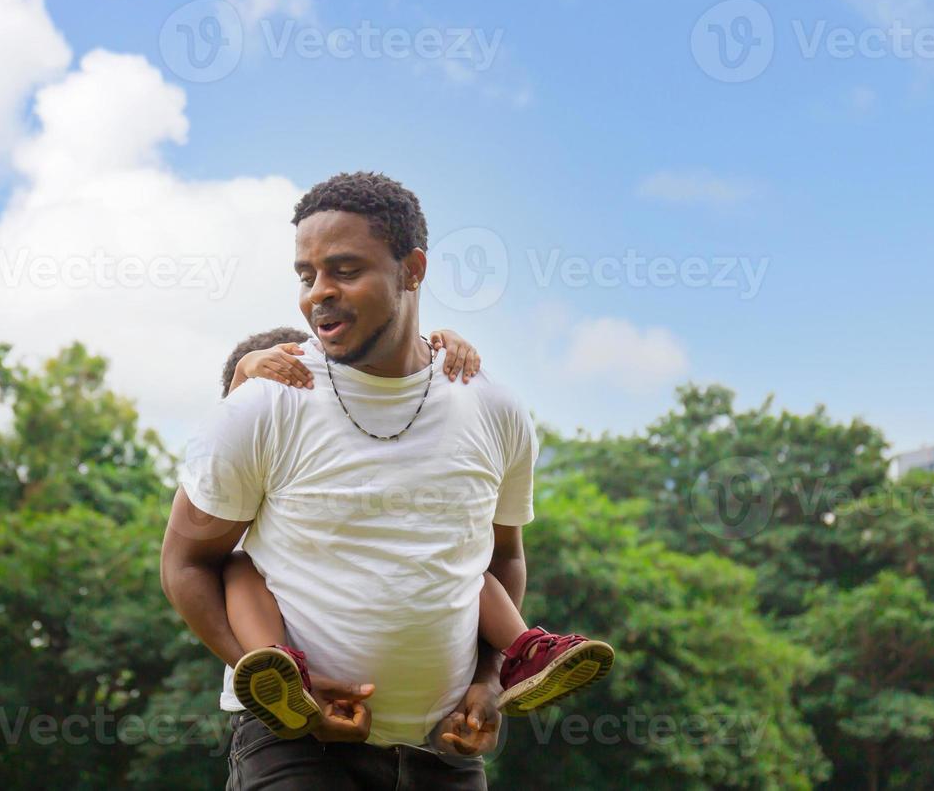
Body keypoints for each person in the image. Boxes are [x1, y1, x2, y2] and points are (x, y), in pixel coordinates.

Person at [160, 171, 608, 790]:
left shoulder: (493, 409)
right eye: (306, 275)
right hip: (295, 752)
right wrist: (275, 689)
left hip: (445, 754)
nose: (318, 293)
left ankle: (534, 652)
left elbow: (500, 561)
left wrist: (485, 682)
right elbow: (185, 563)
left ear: (412, 269)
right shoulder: (265, 405)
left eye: (344, 270)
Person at [217, 330, 612, 743]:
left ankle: (526, 651)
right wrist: (245, 375)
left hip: (424, 719)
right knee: (237, 566)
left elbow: (394, 354)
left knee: (462, 570)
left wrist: (442, 349)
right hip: (275, 604)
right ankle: (278, 669)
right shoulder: (251, 429)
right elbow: (227, 434)